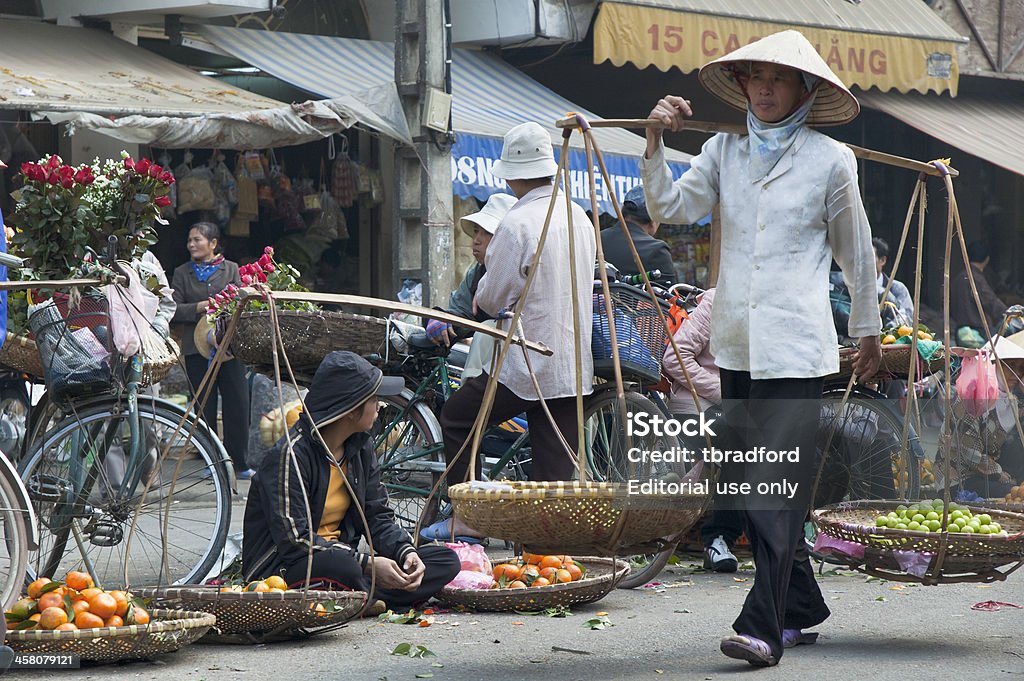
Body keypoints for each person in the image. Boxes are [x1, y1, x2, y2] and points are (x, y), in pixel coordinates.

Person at [642, 30, 881, 667]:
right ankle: (800, 606)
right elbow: (670, 203)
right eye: (756, 78)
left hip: (797, 350)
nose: (767, 89)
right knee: (752, 482)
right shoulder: (724, 149)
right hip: (736, 346)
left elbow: (857, 257)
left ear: (806, 90)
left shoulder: (831, 160)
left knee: (774, 486)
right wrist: (656, 140)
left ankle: (762, 628)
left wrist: (868, 332)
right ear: (743, 85)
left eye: (779, 80)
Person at [421, 121, 597, 543]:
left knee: (459, 418)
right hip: (571, 361)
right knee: (553, 472)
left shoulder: (518, 224)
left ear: (512, 175)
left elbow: (490, 295)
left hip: (527, 361)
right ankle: (545, 552)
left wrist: (478, 305)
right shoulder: (578, 217)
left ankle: (470, 520)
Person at [242, 351, 459, 608]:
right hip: (288, 568)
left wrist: (406, 551)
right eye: (374, 399)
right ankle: (371, 597)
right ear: (351, 411)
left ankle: (365, 599)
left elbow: (377, 516)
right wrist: (367, 564)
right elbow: (296, 542)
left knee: (445, 560)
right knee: (345, 566)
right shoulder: (289, 456)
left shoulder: (361, 448)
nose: (380, 406)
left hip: (345, 562)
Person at [662, 289, 746, 573]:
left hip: (739, 406)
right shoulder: (717, 301)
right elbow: (674, 357)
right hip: (697, 404)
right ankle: (719, 538)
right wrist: (725, 391)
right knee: (738, 440)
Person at [171, 221, 253, 479]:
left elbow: (242, 303)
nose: (192, 245)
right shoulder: (182, 273)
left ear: (213, 243)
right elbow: (173, 308)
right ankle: (212, 462)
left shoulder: (231, 270)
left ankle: (238, 463)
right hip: (196, 349)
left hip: (228, 347)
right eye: (190, 240)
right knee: (203, 406)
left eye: (197, 240)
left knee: (237, 404)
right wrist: (201, 307)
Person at [937, 333, 1024, 499]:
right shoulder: (971, 398)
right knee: (1012, 494)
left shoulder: (1014, 403)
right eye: (1010, 366)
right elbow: (969, 452)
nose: (1015, 374)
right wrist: (1000, 474)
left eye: (1021, 369)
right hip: (960, 479)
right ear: (994, 366)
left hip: (993, 476)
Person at [425, 192, 517, 347]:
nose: (476, 240)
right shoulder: (477, 273)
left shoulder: (521, 272)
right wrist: (445, 319)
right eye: (476, 231)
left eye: (487, 233)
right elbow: (462, 311)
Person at [599, 184, 675, 286]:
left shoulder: (597, 239)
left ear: (622, 212)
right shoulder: (657, 250)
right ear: (654, 219)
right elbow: (669, 298)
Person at [952, 240, 1008, 348]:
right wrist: (1010, 314)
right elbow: (991, 302)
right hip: (976, 333)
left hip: (959, 330)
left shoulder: (958, 278)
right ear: (987, 259)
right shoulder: (976, 279)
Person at [872, 237, 913, 325]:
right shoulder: (848, 286)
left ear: (882, 260)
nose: (865, 262)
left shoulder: (898, 289)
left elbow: (907, 318)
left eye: (870, 258)